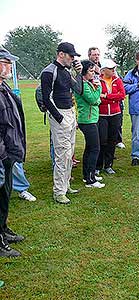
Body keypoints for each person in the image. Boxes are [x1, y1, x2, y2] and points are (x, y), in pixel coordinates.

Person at [41, 42, 83, 204]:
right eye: (71, 56)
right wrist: (59, 117)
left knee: (69, 154)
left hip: (70, 113)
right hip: (60, 116)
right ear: (61, 54)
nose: (73, 59)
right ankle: (59, 191)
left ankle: (65, 186)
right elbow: (46, 98)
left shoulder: (66, 72)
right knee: (62, 155)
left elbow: (78, 89)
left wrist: (79, 73)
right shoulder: (48, 72)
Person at [0, 48, 25, 257]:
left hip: (8, 152)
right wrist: (4, 154)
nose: (10, 67)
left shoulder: (3, 87)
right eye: (7, 62)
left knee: (5, 194)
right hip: (2, 154)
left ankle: (2, 229)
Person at [75, 60, 105, 188]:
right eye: (91, 71)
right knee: (94, 149)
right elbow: (93, 99)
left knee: (89, 148)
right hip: (87, 121)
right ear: (84, 72)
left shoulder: (87, 83)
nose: (94, 74)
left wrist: (97, 98)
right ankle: (90, 180)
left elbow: (96, 101)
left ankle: (88, 174)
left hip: (92, 119)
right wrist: (99, 89)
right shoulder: (84, 85)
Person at [97, 59, 125, 174]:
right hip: (102, 115)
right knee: (101, 140)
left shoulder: (117, 80)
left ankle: (108, 165)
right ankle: (98, 166)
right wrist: (112, 97)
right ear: (103, 70)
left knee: (112, 140)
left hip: (115, 114)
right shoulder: (97, 80)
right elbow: (98, 97)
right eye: (111, 68)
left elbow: (122, 95)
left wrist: (107, 96)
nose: (113, 70)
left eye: (114, 68)